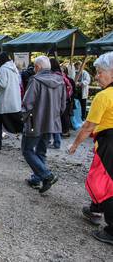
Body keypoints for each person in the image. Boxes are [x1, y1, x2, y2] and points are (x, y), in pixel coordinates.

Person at [68, 52, 113, 244]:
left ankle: (112, 230)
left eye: (100, 72)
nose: (96, 76)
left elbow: (88, 126)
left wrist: (75, 144)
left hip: (108, 144)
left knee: (104, 183)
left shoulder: (103, 96)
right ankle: (96, 208)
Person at [23, 56, 66, 193]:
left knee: (27, 150)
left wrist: (22, 118)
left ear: (38, 67)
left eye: (35, 67)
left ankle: (47, 175)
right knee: (41, 151)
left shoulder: (35, 80)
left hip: (35, 122)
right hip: (52, 123)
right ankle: (37, 178)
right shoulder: (60, 81)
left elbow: (28, 103)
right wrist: (55, 116)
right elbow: (63, 104)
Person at [0, 52, 21, 151]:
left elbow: (2, 84)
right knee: (19, 124)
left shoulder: (3, 68)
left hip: (5, 101)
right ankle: (29, 143)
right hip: (15, 101)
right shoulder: (14, 69)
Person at [49, 58, 74, 149]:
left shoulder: (51, 76)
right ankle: (57, 142)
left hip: (53, 102)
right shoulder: (62, 76)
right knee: (56, 122)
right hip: (62, 102)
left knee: (50, 122)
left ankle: (50, 141)